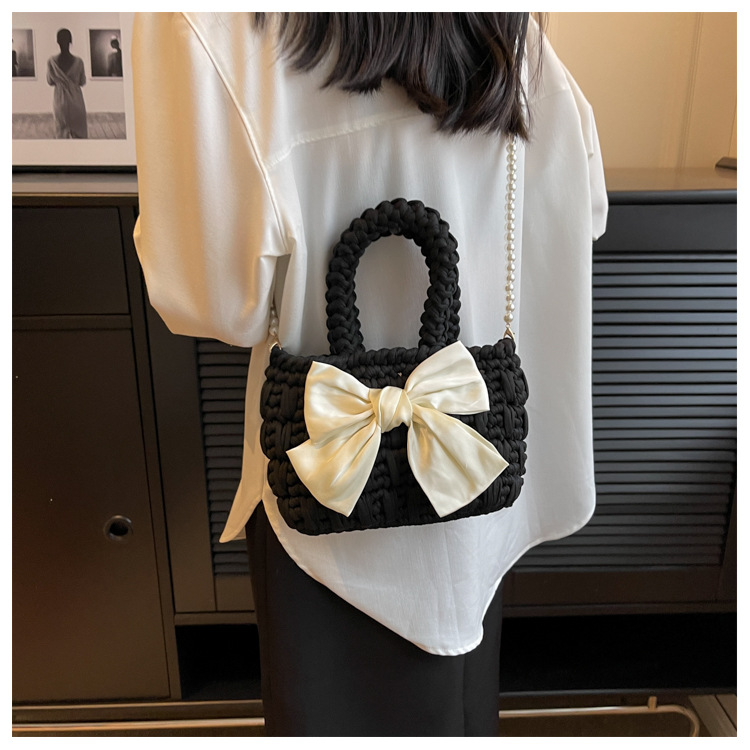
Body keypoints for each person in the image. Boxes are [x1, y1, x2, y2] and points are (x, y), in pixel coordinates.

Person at [132, 12, 607, 736]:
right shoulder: (507, 29)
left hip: (328, 502)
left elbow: (212, 303)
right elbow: (586, 207)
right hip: (476, 480)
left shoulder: (201, 21)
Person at [46, 28, 87, 139]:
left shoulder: (51, 61)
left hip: (60, 100)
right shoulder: (79, 62)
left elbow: (50, 81)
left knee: (61, 133)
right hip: (76, 100)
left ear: (57, 41)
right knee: (80, 135)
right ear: (70, 41)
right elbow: (82, 82)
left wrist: (61, 82)